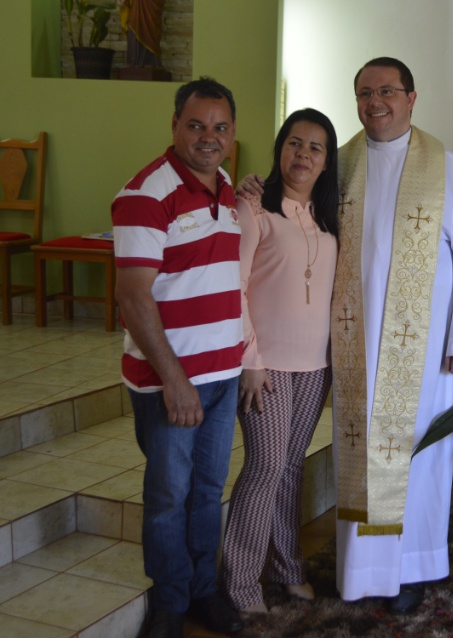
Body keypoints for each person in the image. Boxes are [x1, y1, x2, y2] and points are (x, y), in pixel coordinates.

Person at [333, 57, 453, 614]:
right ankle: (360, 572)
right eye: (364, 92)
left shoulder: (445, 167)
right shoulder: (340, 166)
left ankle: (413, 567)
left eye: (386, 90)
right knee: (360, 454)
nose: (374, 101)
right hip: (354, 340)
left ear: (411, 97)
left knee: (418, 455)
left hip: (423, 348)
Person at [112, 77, 244, 638]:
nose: (207, 138)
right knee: (169, 496)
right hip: (172, 380)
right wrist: (175, 379)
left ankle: (202, 592)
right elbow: (133, 298)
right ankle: (169, 603)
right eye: (195, 125)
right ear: (174, 126)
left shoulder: (229, 187)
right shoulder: (145, 194)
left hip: (224, 375)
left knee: (209, 490)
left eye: (219, 128)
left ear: (233, 135)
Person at [219, 108, 339, 617]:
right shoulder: (254, 209)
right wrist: (249, 358)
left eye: (315, 147)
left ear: (327, 159)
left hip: (316, 364)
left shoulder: (330, 217)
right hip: (264, 363)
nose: (302, 155)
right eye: (294, 143)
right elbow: (234, 289)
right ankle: (240, 582)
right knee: (265, 465)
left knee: (291, 468)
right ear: (279, 148)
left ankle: (289, 569)